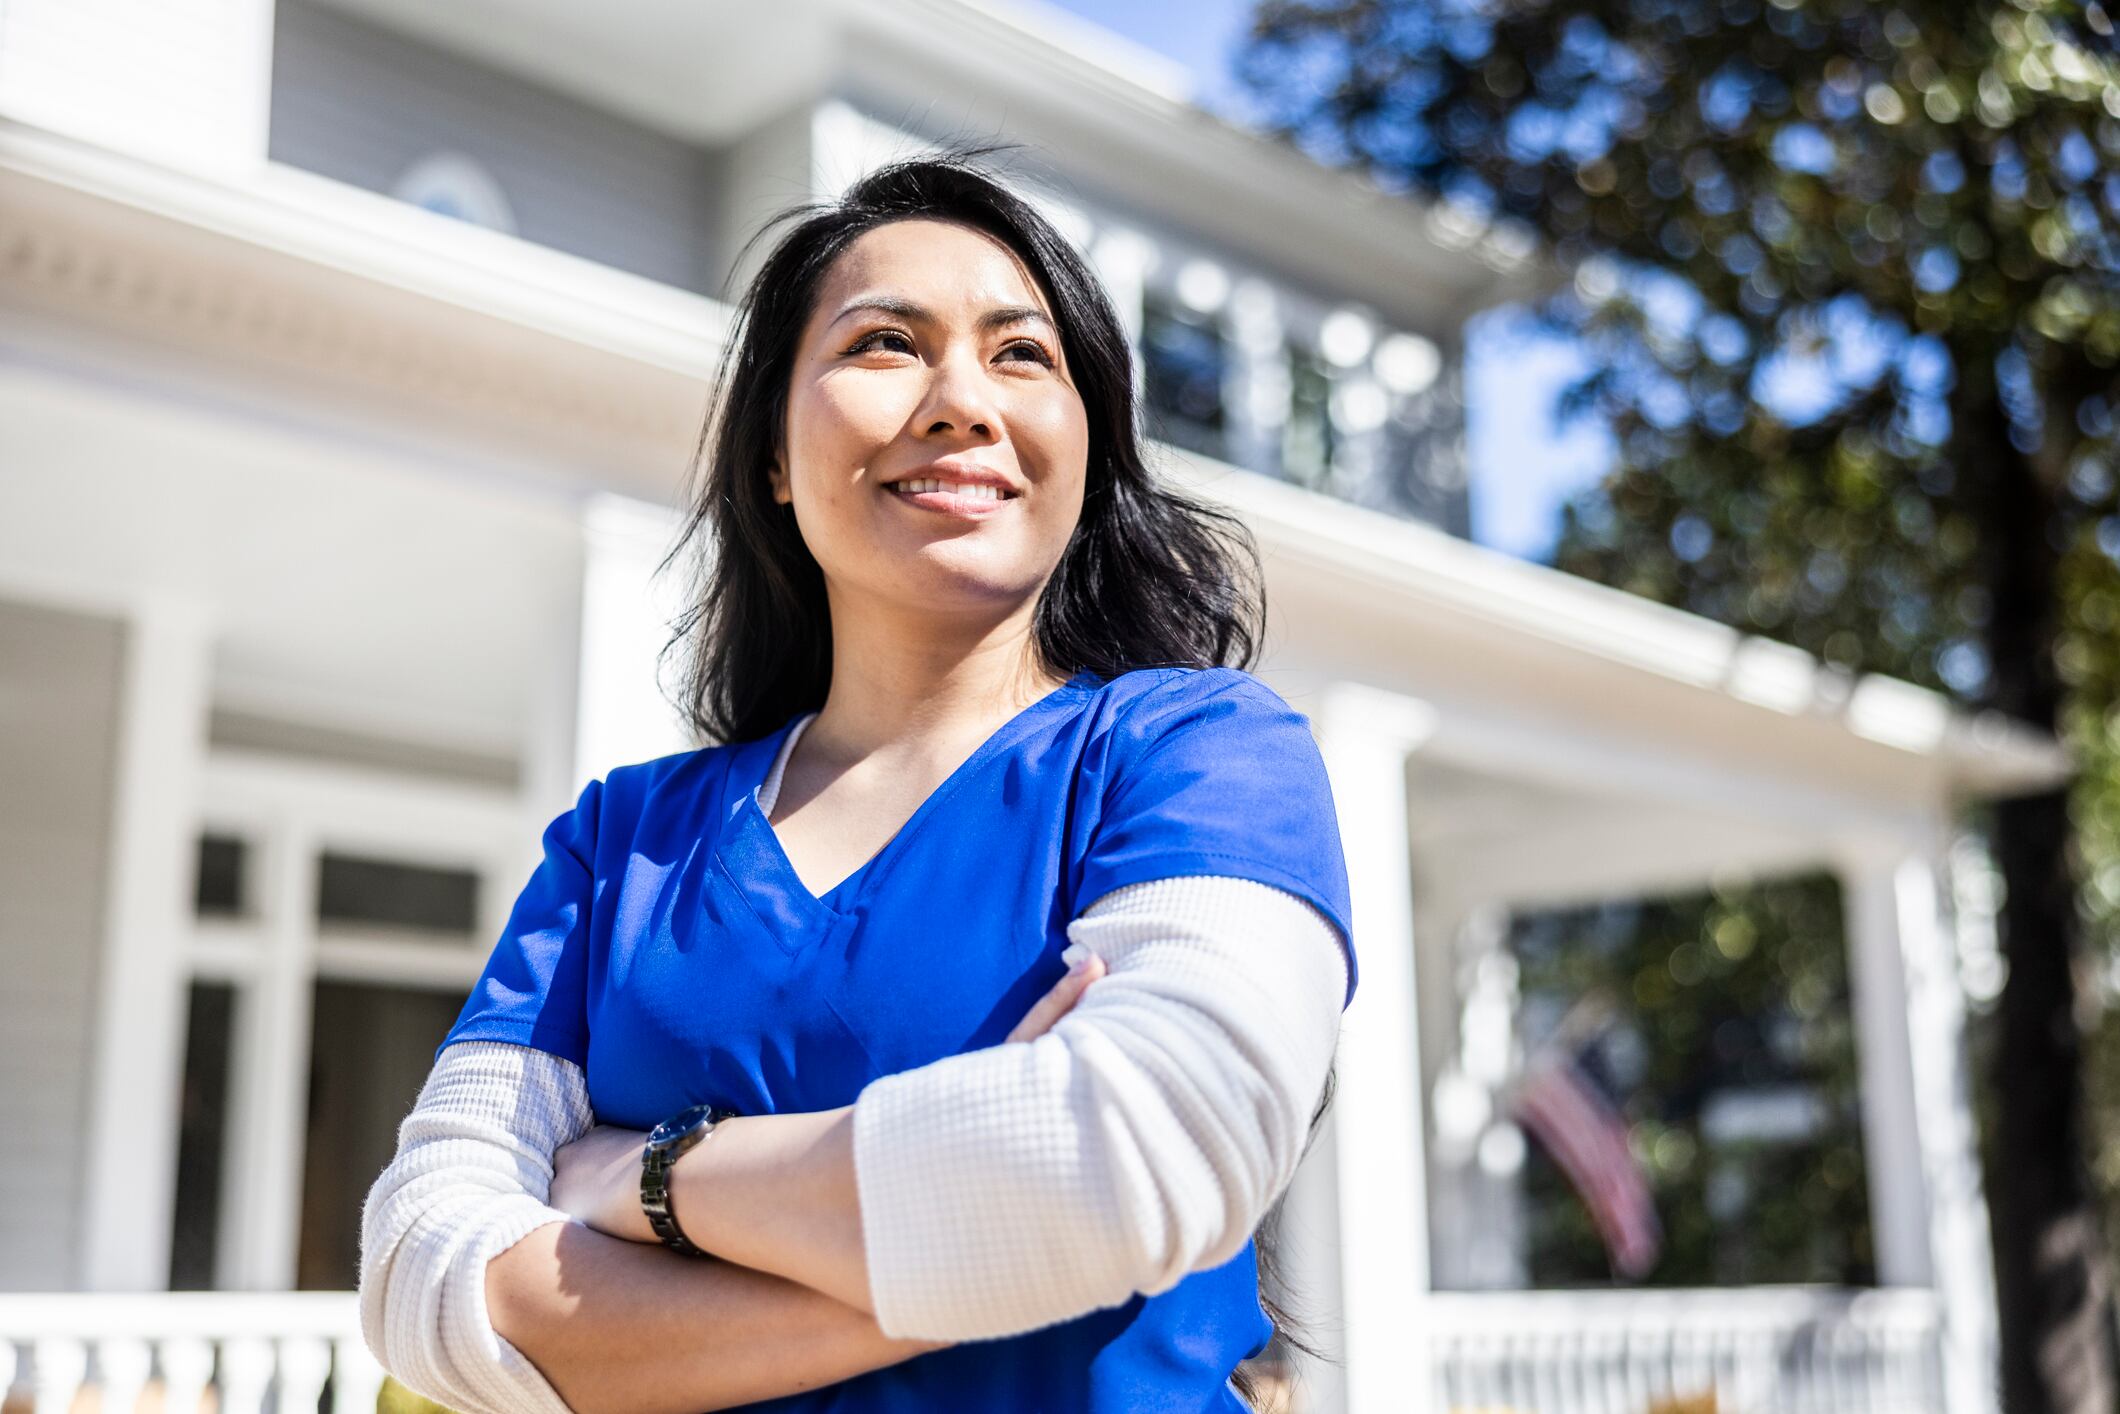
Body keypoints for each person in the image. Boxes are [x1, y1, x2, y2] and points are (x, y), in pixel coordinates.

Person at [358, 146, 1358, 1414]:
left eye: (1021, 355)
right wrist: (990, 1243)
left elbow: (1148, 1150)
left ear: (1087, 447)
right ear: (772, 453)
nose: (961, 401)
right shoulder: (624, 842)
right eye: (885, 343)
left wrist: (639, 1181)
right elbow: (415, 1268)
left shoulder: (1203, 756)